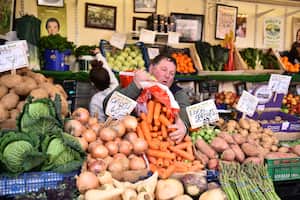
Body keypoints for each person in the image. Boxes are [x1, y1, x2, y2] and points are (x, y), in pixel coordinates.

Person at [103, 54, 191, 143]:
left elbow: (185, 109)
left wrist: (183, 125)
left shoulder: (177, 92)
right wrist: (136, 86)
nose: (167, 76)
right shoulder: (134, 81)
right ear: (151, 68)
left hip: (163, 141)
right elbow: (107, 105)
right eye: (164, 70)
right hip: (129, 140)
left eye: (172, 73)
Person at [89, 49, 119, 122]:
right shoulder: (115, 86)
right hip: (121, 126)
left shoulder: (95, 101)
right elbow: (108, 70)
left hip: (106, 131)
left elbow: (97, 123)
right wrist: (98, 54)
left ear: (92, 83)